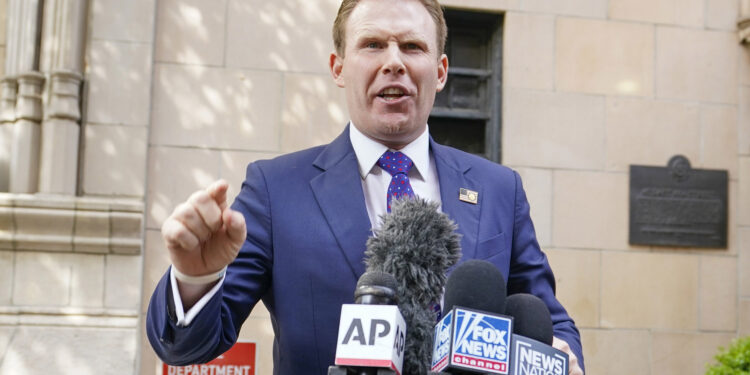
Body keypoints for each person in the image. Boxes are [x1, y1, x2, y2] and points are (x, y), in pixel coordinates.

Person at [146, 0, 585, 374]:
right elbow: (188, 346)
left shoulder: (499, 188)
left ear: (440, 70)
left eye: (412, 46)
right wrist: (194, 278)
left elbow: (549, 321)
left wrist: (563, 356)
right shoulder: (275, 189)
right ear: (338, 67)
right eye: (373, 44)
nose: (393, 61)